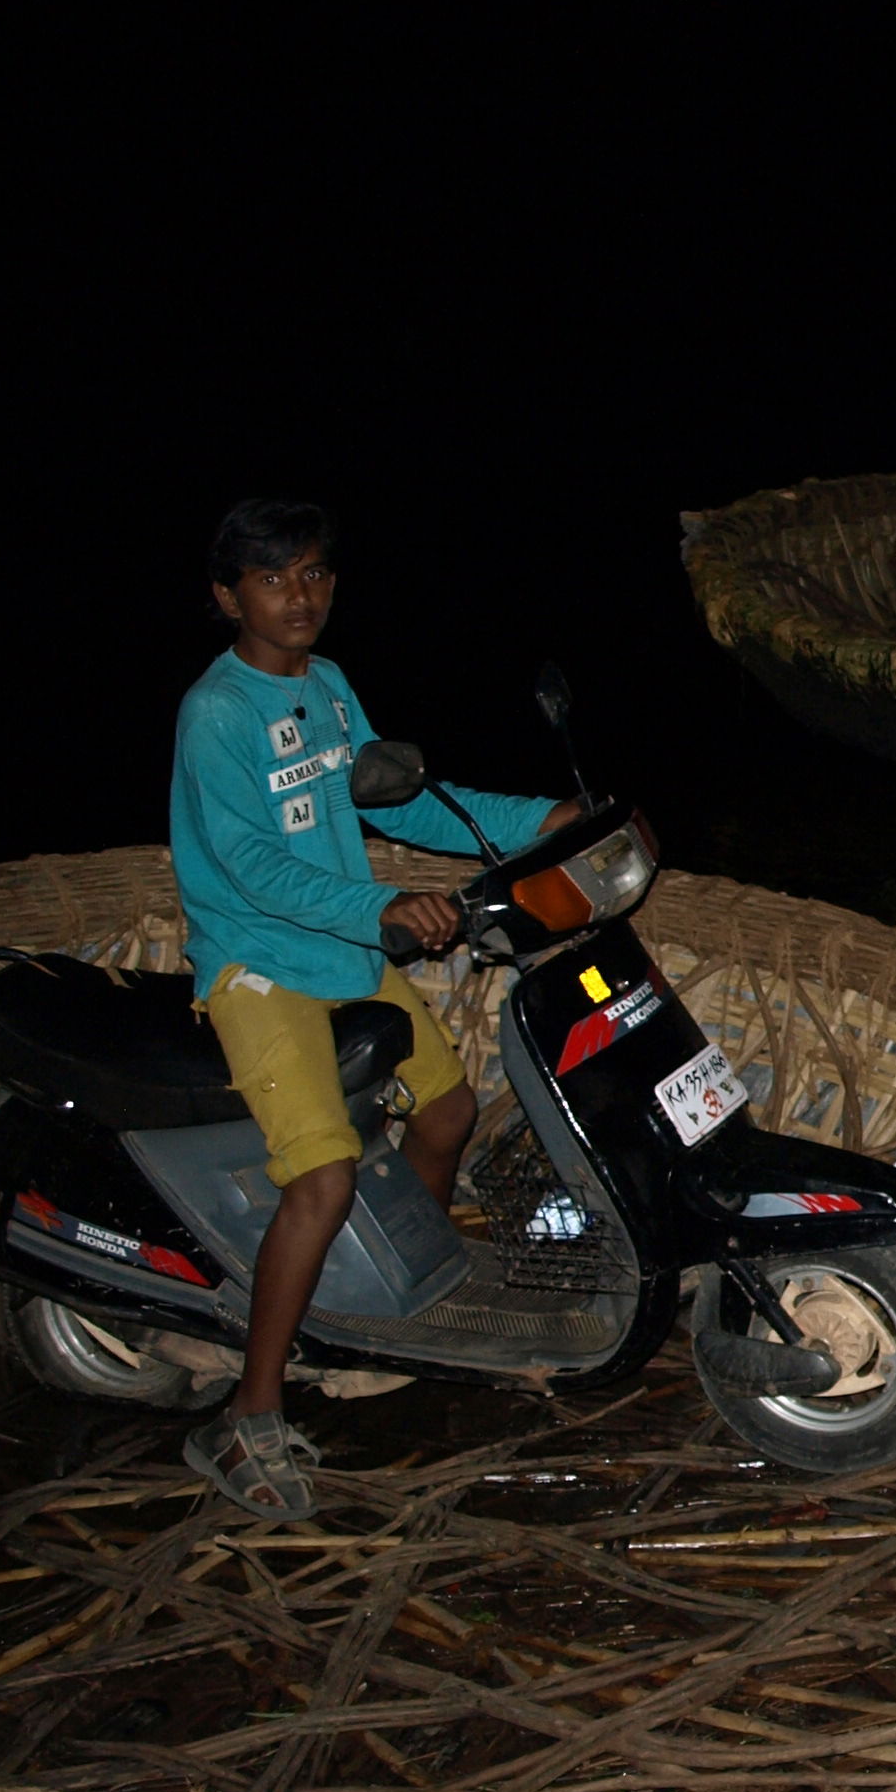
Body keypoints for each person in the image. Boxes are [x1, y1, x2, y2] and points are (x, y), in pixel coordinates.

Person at [169, 499, 570, 1521]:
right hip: (260, 966)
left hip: (344, 944)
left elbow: (395, 799)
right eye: (272, 580)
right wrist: (382, 906)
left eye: (312, 575)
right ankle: (246, 1415)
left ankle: (403, 1305)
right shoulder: (217, 713)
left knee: (447, 1111)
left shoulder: (330, 686)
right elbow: (249, 869)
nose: (297, 597)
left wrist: (530, 823)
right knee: (323, 1176)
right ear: (228, 599)